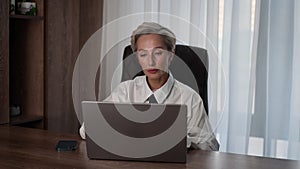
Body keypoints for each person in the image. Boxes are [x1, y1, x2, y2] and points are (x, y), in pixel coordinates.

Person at [79, 22, 219, 151]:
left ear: (171, 55)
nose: (151, 61)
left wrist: (177, 139)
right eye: (143, 54)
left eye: (158, 53)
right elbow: (87, 130)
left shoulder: (190, 97)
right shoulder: (126, 91)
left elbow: (211, 146)